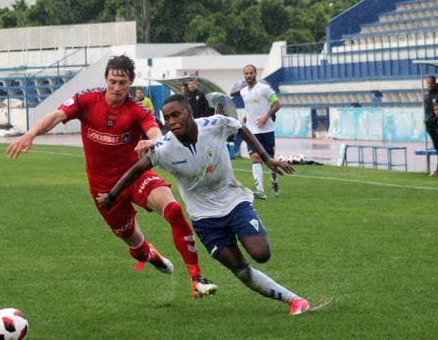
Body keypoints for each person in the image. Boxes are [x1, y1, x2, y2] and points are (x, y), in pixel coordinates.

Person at [6, 55, 217, 299]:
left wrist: (153, 141)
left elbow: (155, 132)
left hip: (134, 176)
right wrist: (31, 133)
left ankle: (196, 278)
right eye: (113, 81)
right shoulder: (86, 100)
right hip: (104, 190)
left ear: (131, 82)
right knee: (135, 246)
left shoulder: (137, 110)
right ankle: (149, 255)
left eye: (123, 83)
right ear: (106, 79)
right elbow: (56, 116)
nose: (117, 88)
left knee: (173, 210)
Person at [96, 94, 315, 316]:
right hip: (204, 220)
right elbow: (137, 169)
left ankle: (289, 293)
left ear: (189, 112)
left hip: (233, 202)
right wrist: (112, 196)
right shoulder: (164, 148)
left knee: (261, 253)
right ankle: (295, 301)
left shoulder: (215, 124)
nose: (171, 121)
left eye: (176, 115)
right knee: (240, 269)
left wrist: (267, 159)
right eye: (167, 118)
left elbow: (240, 128)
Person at [239, 64, 281, 199]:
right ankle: (260, 191)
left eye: (251, 73)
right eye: (246, 73)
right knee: (255, 157)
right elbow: (249, 106)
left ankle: (274, 180)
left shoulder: (265, 89)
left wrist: (266, 117)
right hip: (251, 130)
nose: (248, 76)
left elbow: (277, 104)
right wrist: (246, 116)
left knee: (269, 159)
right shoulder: (243, 91)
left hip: (266, 129)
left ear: (255, 73)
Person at [423, 76, 438, 172]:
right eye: (428, 83)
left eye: (431, 83)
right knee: (437, 146)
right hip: (429, 124)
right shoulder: (426, 96)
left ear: (434, 83)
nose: (429, 85)